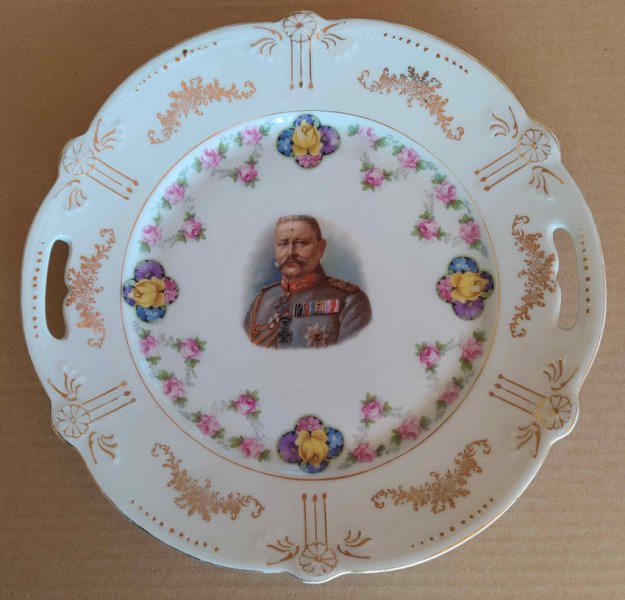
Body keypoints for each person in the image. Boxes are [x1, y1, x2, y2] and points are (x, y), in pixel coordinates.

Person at [245, 215, 372, 349]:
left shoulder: (350, 300)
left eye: (301, 243)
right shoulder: (262, 300)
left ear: (320, 248)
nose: (290, 253)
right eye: (283, 244)